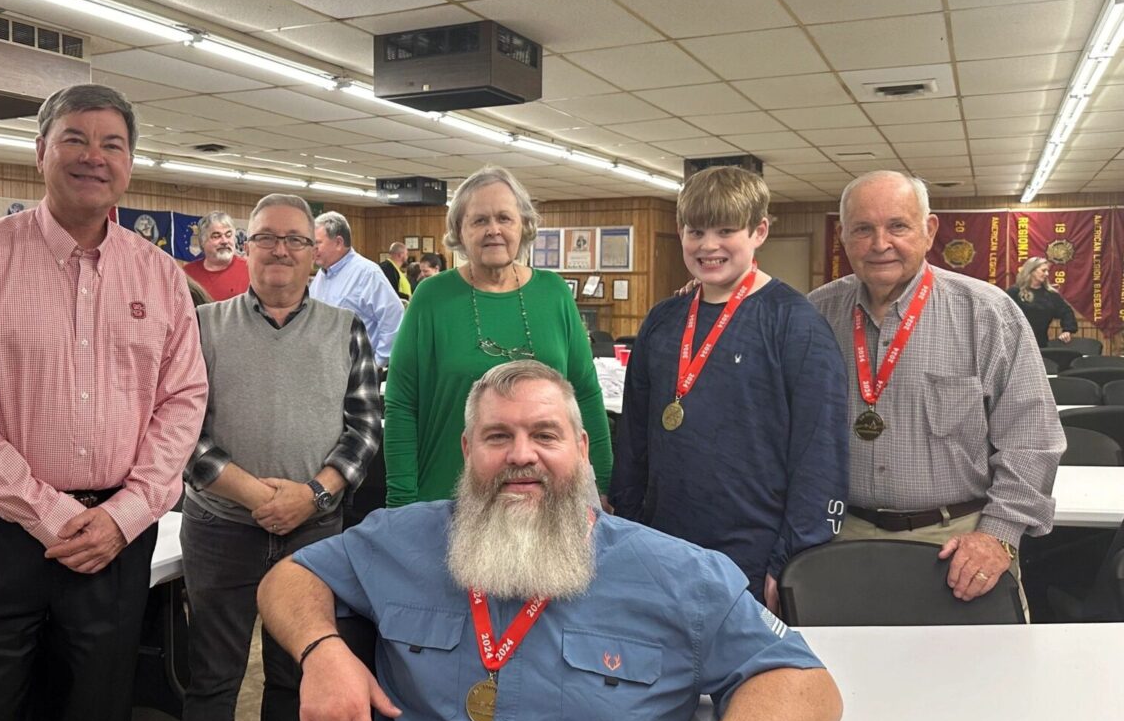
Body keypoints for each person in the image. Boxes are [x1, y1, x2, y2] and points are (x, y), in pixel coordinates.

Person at [258, 361, 842, 721]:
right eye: (497, 437)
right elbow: (286, 578)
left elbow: (803, 683)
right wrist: (322, 650)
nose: (521, 455)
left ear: (582, 449)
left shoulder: (675, 575)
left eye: (544, 434)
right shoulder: (403, 541)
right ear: (467, 450)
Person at [0, 83, 208, 721]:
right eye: (75, 139)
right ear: (40, 151)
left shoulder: (157, 276)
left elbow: (183, 402)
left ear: (131, 165)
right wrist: (51, 512)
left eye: (112, 144)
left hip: (114, 540)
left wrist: (124, 514)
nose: (94, 156)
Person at [179, 193, 382, 721]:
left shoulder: (344, 329)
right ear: (246, 247)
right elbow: (181, 431)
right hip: (219, 529)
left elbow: (362, 431)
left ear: (314, 254)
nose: (280, 251)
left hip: (312, 533)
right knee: (213, 680)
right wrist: (254, 496)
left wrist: (312, 497)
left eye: (295, 240)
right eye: (266, 238)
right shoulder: (205, 327)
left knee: (296, 675)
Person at [809, 170, 1063, 609]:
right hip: (836, 536)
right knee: (846, 674)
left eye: (897, 226)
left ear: (928, 231)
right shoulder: (815, 314)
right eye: (862, 229)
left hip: (958, 543)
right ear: (844, 238)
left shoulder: (987, 314)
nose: (880, 243)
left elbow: (1032, 440)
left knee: (976, 676)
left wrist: (998, 535)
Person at [610, 167, 849, 611]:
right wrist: (627, 527)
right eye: (695, 231)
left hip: (753, 558)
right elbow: (634, 442)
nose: (708, 245)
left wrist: (792, 559)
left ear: (759, 231)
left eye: (725, 230)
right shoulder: (663, 321)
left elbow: (820, 454)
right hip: (662, 546)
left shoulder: (796, 324)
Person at [385, 165, 613, 507]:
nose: (494, 230)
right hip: (448, 495)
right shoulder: (431, 297)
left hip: (547, 497)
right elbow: (402, 403)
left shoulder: (554, 293)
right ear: (459, 232)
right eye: (479, 220)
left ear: (523, 225)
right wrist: (401, 500)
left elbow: (585, 392)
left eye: (504, 218)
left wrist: (605, 480)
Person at [310, 212, 403, 366]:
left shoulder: (367, 274)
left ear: (338, 243)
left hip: (356, 374)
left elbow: (394, 319)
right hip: (324, 372)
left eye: (317, 243)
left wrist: (376, 364)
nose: (312, 249)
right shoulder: (321, 276)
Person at [1008, 256, 1080, 349]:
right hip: (1016, 344)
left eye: (1047, 271)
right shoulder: (1014, 292)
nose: (1047, 274)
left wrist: (1067, 330)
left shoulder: (1050, 294)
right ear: (1032, 271)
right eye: (1043, 270)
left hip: (1041, 344)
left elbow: (1066, 311)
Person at [184, 210, 250, 301]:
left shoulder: (250, 269)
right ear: (203, 242)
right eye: (216, 236)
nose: (224, 241)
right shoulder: (187, 274)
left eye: (228, 235)